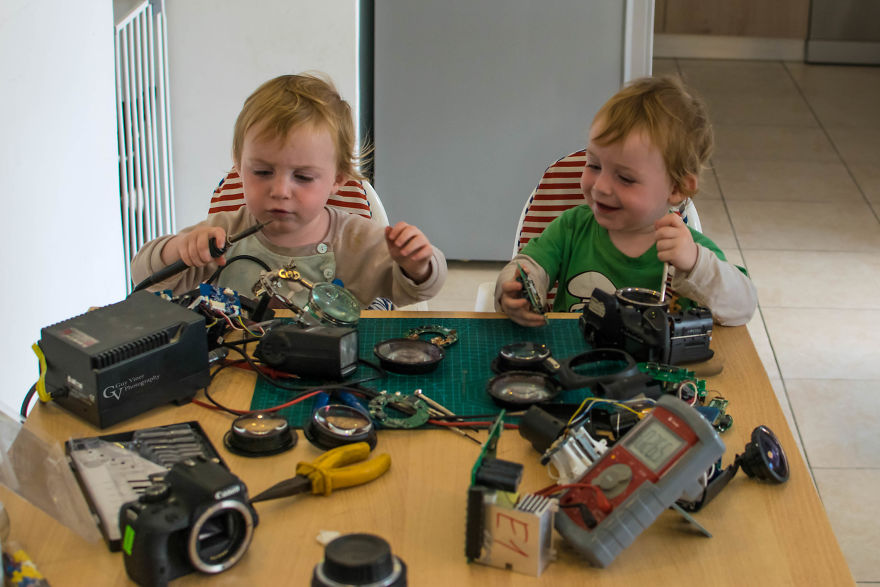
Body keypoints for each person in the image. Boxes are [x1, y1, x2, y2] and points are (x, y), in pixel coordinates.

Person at [131, 73, 446, 308]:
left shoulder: (358, 240)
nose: (280, 190)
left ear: (338, 178)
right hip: (237, 373)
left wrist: (417, 264)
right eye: (263, 172)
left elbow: (419, 290)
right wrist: (181, 249)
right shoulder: (223, 232)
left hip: (327, 376)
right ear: (239, 166)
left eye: (304, 177)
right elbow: (144, 276)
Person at [495, 75, 756, 327]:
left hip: (654, 369)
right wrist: (515, 287)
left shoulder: (688, 251)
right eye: (594, 165)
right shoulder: (571, 227)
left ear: (676, 189)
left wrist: (695, 264)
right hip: (571, 362)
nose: (600, 186)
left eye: (625, 178)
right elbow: (530, 265)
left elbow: (742, 308)